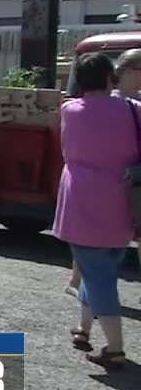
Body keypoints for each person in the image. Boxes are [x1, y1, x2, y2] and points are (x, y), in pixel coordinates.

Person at [55, 52, 137, 370]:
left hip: (83, 202)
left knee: (97, 272)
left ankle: (115, 348)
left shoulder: (71, 111)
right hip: (124, 201)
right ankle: (84, 328)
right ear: (109, 77)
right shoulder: (133, 110)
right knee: (101, 269)